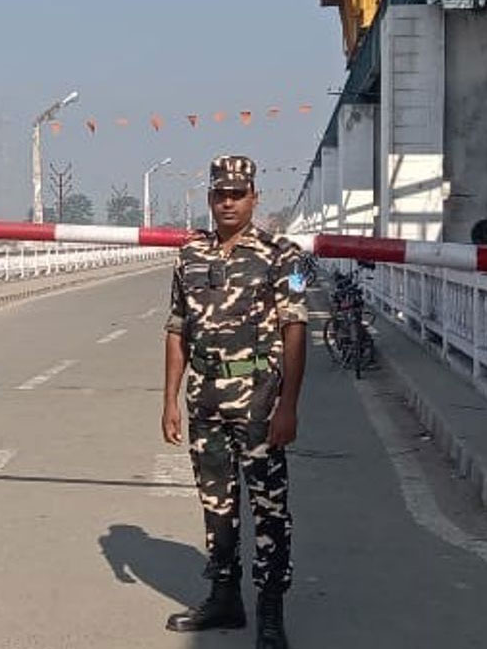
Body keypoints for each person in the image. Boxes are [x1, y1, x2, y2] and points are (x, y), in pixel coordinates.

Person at [161, 155, 308, 648]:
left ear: (253, 198)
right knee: (216, 505)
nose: (228, 202)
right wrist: (170, 400)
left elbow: (295, 329)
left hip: (259, 401)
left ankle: (271, 611)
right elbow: (177, 328)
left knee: (269, 509)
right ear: (210, 198)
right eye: (220, 194)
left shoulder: (282, 255)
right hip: (205, 399)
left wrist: (288, 405)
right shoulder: (189, 255)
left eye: (237, 194)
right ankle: (224, 596)